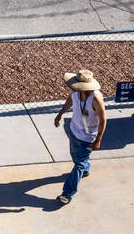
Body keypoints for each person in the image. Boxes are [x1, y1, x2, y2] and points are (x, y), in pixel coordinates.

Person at [53, 69, 106, 205]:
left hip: (87, 138)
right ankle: (85, 168)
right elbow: (69, 102)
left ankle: (67, 193)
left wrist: (98, 139)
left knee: (78, 165)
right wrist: (60, 115)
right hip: (74, 131)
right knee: (75, 157)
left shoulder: (95, 99)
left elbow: (103, 120)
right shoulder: (75, 93)